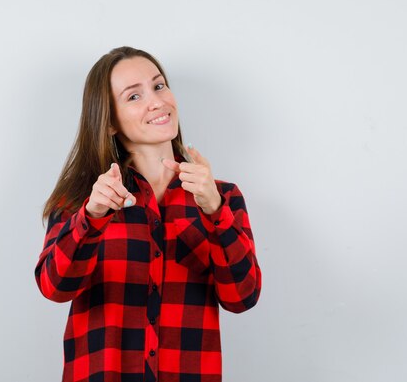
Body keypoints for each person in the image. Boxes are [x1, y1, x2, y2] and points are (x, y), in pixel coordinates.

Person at [35, 46, 261, 382]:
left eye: (158, 86)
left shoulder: (222, 197)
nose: (156, 102)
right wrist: (92, 216)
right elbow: (54, 287)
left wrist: (215, 211)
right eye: (133, 96)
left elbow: (242, 298)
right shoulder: (82, 200)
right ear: (109, 121)